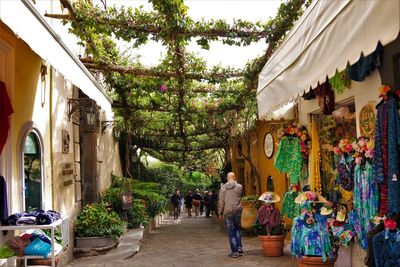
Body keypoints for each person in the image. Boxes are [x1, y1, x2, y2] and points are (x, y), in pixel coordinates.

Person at [218, 172, 243, 258]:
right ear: (234, 177)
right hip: (237, 210)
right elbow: (239, 197)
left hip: (228, 211)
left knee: (231, 232)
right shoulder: (240, 187)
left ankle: (234, 252)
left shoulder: (223, 188)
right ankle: (239, 248)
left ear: (227, 178)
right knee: (238, 229)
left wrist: (220, 212)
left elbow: (221, 201)